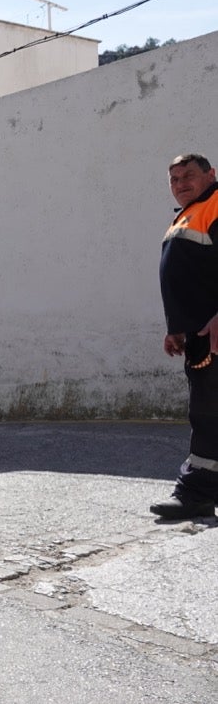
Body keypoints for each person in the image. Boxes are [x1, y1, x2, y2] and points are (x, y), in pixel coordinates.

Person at [151, 153, 218, 519]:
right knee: (208, 413)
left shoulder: (216, 205)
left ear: (211, 174)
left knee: (209, 415)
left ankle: (196, 494)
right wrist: (175, 327)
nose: (180, 184)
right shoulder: (188, 216)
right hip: (197, 337)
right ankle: (200, 492)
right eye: (174, 180)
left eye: (188, 176)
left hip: (213, 333)